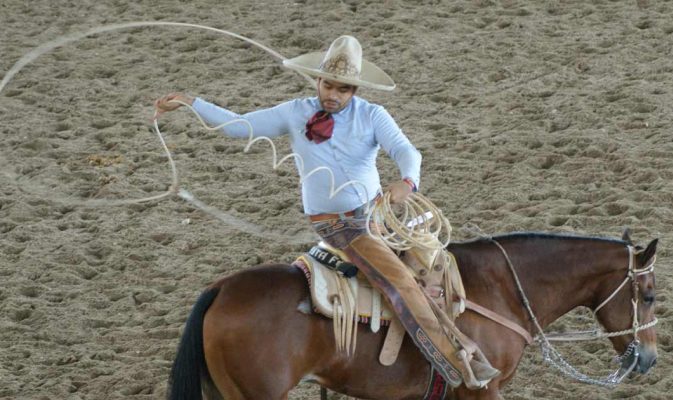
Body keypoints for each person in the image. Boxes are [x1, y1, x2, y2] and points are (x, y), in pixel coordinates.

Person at [154, 35, 498, 389]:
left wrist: (407, 182)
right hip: (341, 226)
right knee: (402, 284)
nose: (333, 94)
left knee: (432, 263)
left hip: (377, 215)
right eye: (327, 84)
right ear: (317, 80)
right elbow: (242, 126)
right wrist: (192, 103)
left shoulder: (372, 115)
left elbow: (406, 151)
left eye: (343, 89)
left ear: (355, 90)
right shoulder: (294, 112)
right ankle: (461, 366)